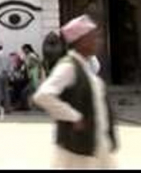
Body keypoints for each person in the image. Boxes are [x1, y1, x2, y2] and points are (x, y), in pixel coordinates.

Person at [33, 15, 118, 169]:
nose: (98, 41)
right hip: (79, 151)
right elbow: (43, 95)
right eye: (93, 37)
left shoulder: (87, 66)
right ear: (81, 41)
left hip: (96, 144)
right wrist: (74, 116)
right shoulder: (69, 66)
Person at [22, 44, 44, 109]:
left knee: (36, 89)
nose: (24, 51)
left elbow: (39, 62)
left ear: (28, 49)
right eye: (23, 49)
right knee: (33, 90)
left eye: (25, 49)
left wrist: (39, 72)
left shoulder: (32, 55)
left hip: (35, 73)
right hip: (31, 74)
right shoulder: (27, 56)